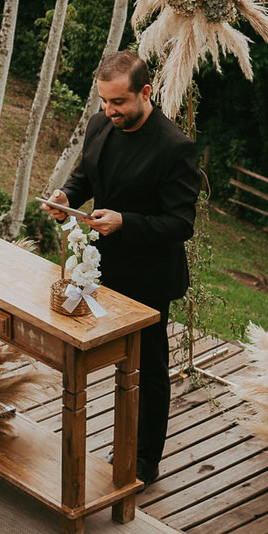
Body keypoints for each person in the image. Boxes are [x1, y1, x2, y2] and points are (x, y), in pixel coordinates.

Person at [47, 50, 200, 488]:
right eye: (104, 101)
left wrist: (125, 222)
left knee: (148, 368)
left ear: (145, 92)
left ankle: (145, 458)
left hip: (148, 275)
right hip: (99, 269)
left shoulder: (175, 147)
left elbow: (181, 224)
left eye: (118, 102)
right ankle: (111, 438)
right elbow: (85, 177)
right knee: (108, 363)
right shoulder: (99, 125)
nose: (109, 111)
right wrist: (66, 198)